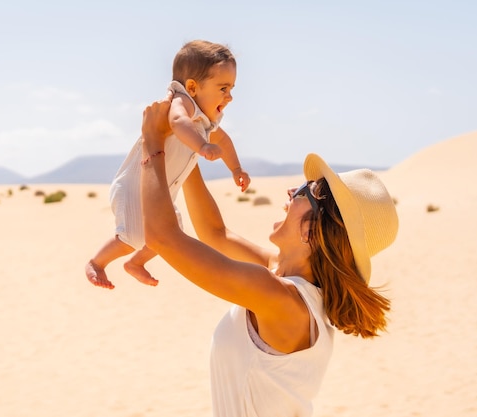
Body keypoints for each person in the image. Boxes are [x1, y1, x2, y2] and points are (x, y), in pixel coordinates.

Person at [138, 96, 399, 416]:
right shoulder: (282, 278)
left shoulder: (282, 299)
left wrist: (153, 142)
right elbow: (215, 234)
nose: (291, 191)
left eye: (305, 191)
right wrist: (184, 147)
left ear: (311, 232)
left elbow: (163, 237)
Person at [87, 40, 250, 289]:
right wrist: (202, 146)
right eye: (223, 88)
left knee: (170, 234)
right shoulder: (182, 103)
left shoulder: (206, 119)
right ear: (193, 87)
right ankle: (97, 263)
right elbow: (178, 122)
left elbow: (224, 141)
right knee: (132, 236)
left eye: (231, 88)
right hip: (135, 186)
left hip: (162, 190)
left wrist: (236, 169)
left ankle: (135, 263)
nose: (229, 97)